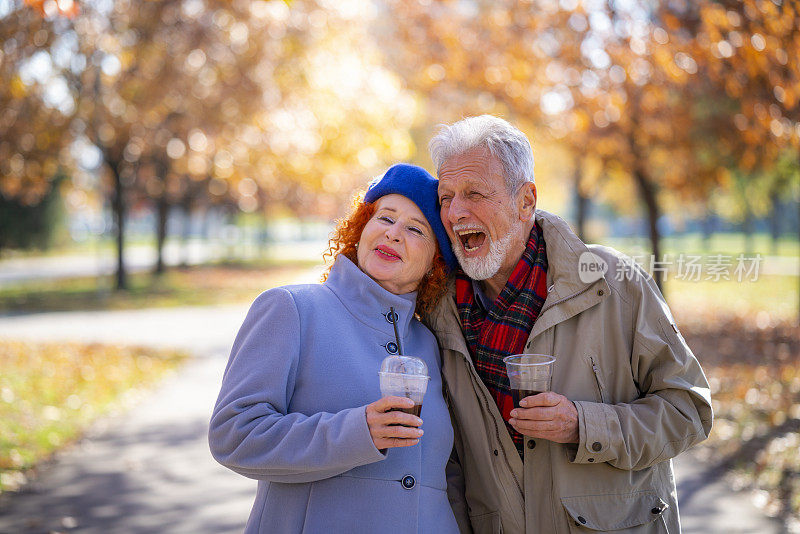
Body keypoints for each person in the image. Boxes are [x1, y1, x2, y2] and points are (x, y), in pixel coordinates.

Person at [425, 115, 713, 534]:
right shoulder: (440, 312)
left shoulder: (616, 284)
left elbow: (689, 411)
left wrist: (583, 425)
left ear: (526, 201)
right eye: (445, 196)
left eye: (474, 193)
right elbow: (446, 464)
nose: (455, 212)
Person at [209, 164, 463, 533]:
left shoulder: (430, 343)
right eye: (384, 217)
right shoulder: (292, 309)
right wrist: (358, 432)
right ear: (361, 228)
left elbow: (445, 475)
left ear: (434, 263)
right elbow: (234, 434)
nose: (393, 234)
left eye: (415, 229)